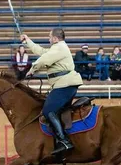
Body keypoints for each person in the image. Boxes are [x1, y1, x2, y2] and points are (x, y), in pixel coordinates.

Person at [21, 28, 83, 156]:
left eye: (49, 37)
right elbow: (43, 52)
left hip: (64, 84)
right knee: (57, 112)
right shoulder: (58, 48)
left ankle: (64, 141)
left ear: (55, 38)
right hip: (65, 84)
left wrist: (32, 70)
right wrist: (28, 41)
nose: (48, 39)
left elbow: (44, 60)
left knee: (48, 111)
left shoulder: (59, 48)